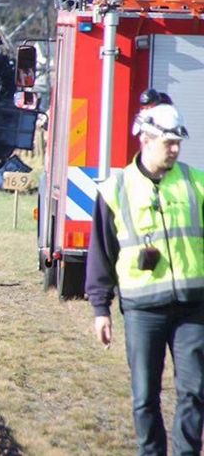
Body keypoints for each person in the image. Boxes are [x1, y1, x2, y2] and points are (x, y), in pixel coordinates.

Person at [85, 101, 204, 455]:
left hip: (193, 307)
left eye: (178, 142)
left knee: (194, 391)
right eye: (168, 142)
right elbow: (101, 253)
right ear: (146, 139)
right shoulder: (116, 189)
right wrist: (100, 308)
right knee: (144, 397)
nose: (175, 149)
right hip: (142, 311)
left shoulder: (196, 183)